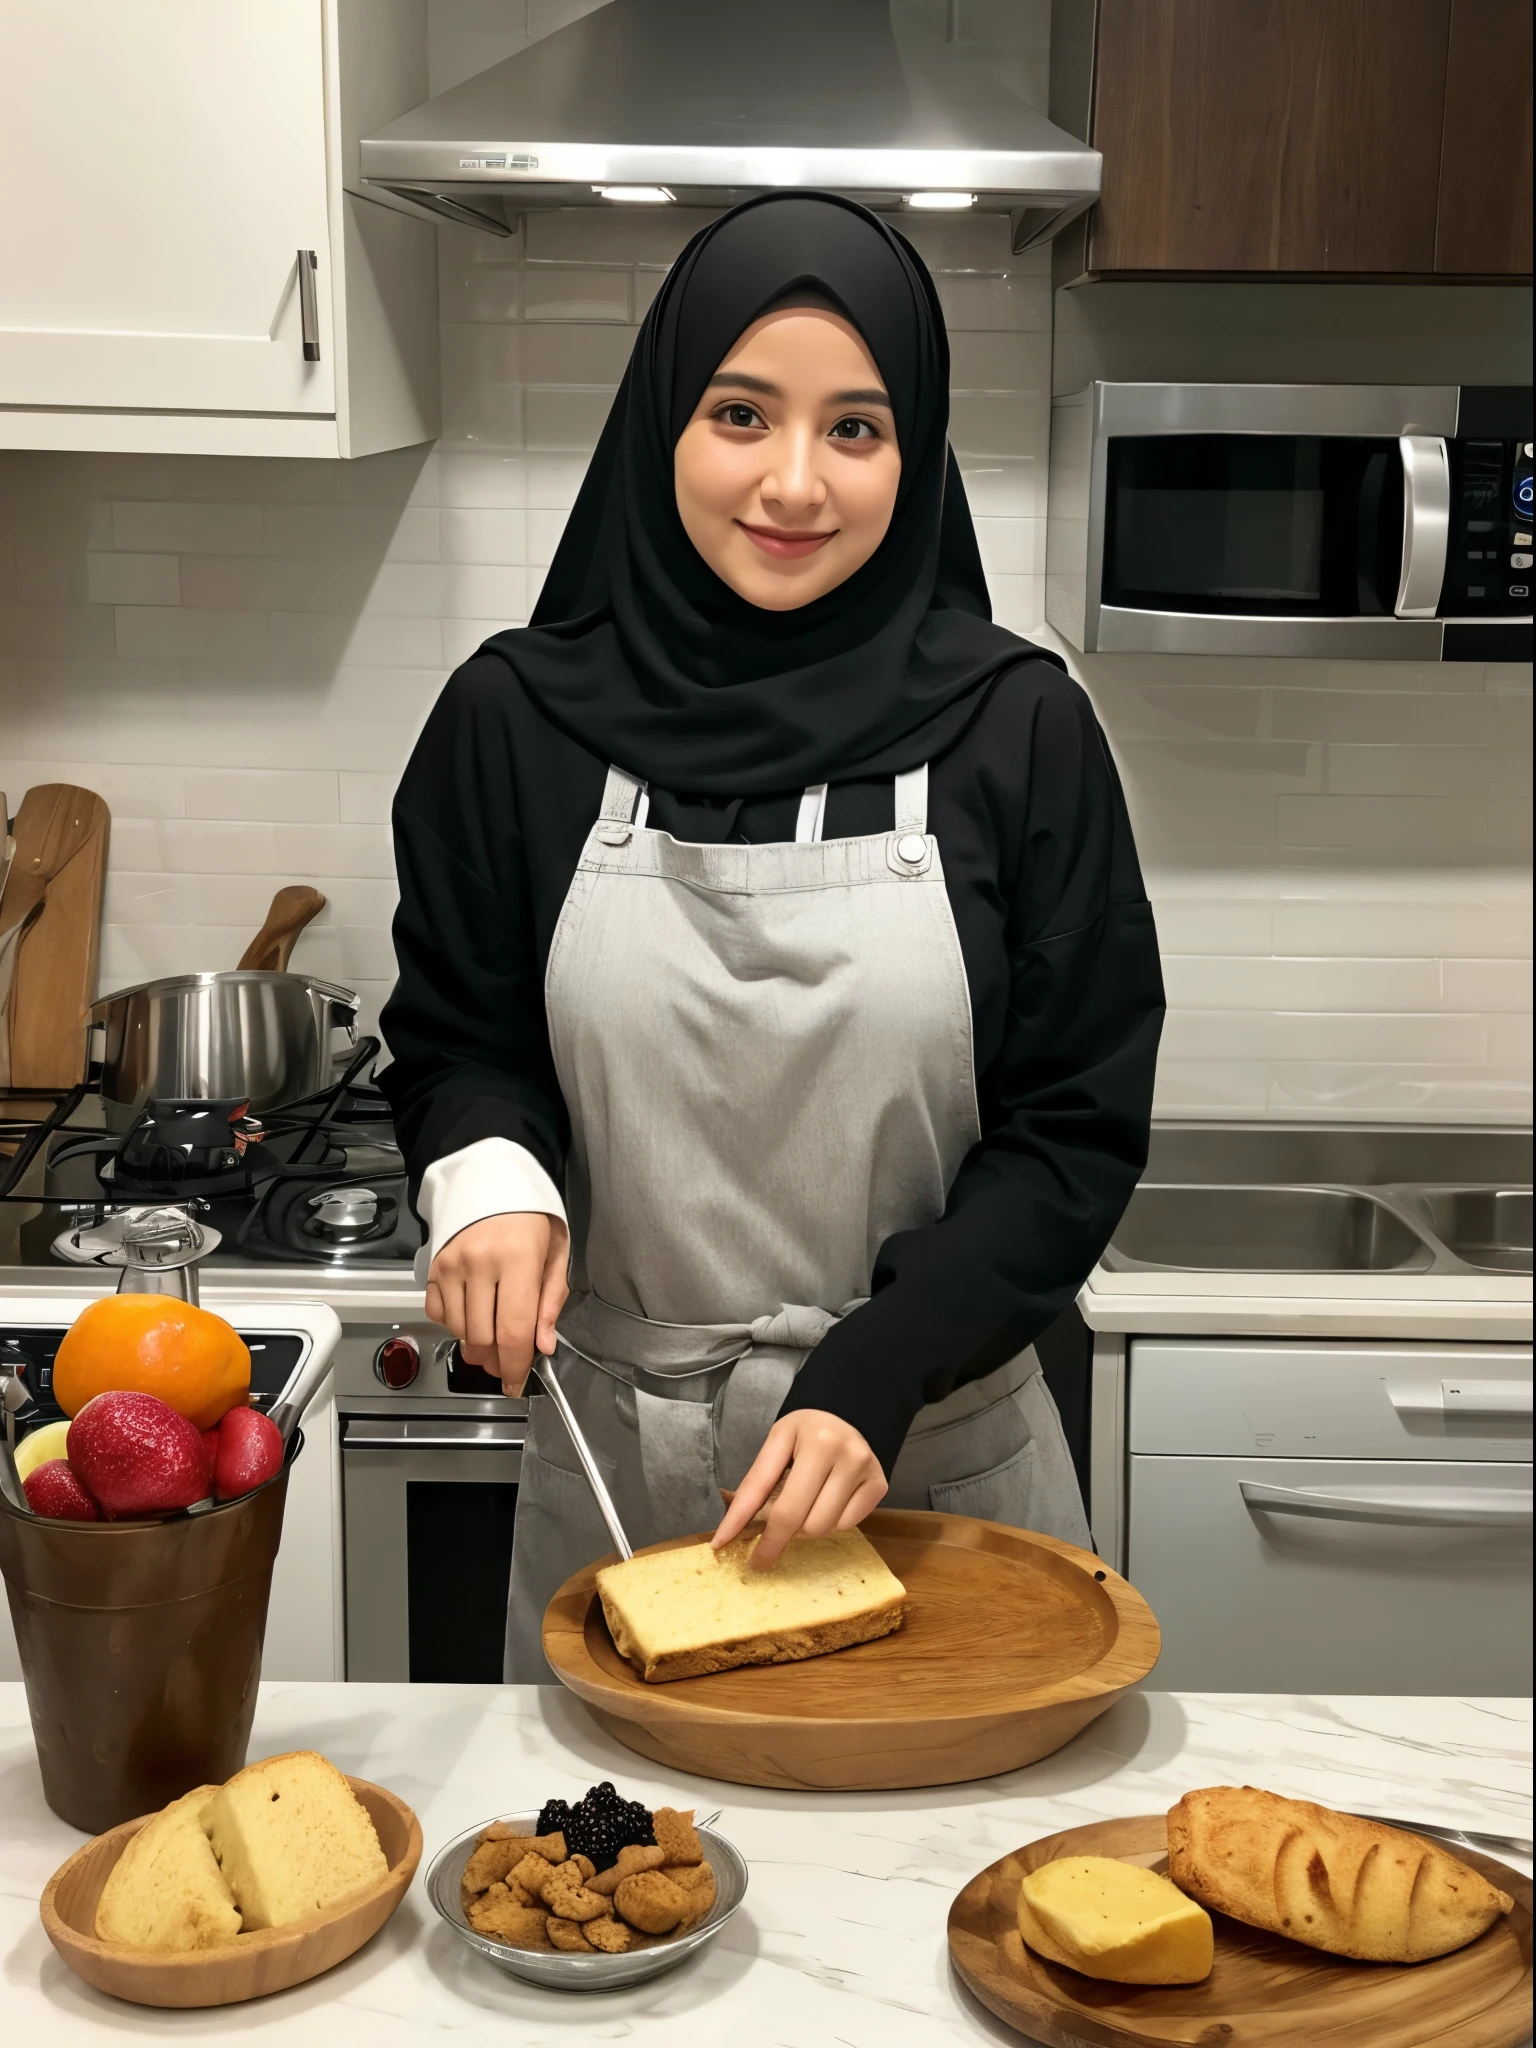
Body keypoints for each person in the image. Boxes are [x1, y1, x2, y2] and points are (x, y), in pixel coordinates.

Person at [379, 192, 1164, 1682]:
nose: (795, 482)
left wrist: (875, 1369)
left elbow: (1075, 1133)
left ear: (914, 452)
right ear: (662, 420)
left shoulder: (1020, 730)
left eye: (856, 429)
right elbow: (457, 1044)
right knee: (608, 1900)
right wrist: (488, 1176)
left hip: (933, 1465)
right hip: (619, 1472)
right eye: (742, 413)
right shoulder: (513, 724)